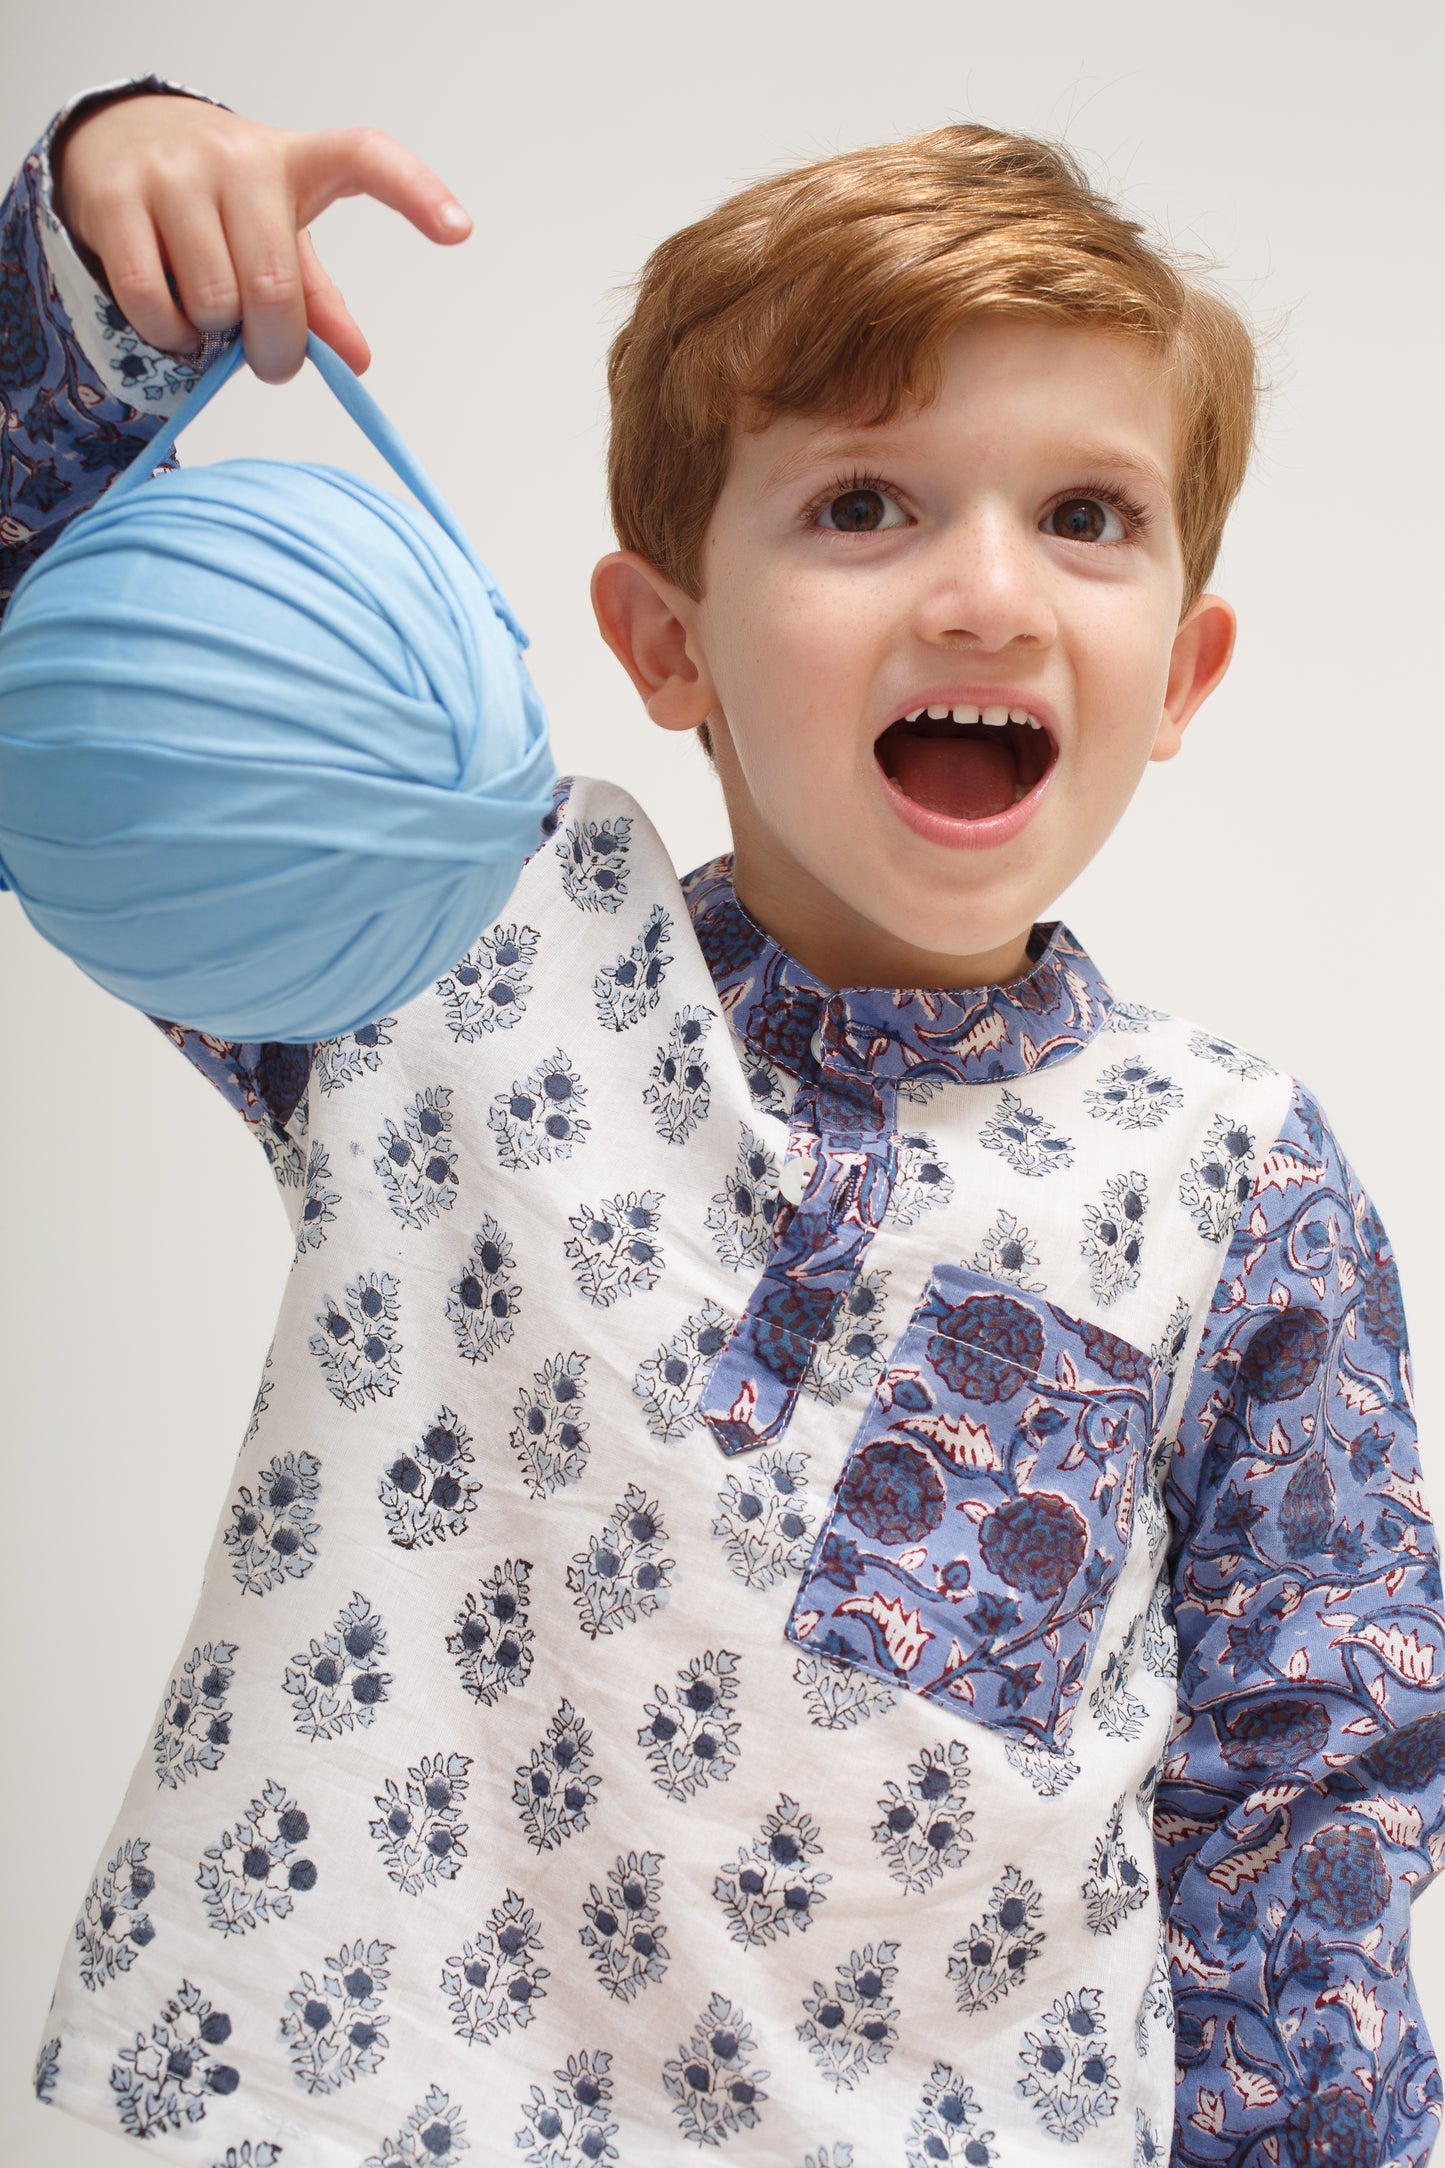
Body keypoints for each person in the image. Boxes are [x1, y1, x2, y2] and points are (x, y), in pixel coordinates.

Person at [3, 76, 1442, 2168]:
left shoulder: (1233, 1177)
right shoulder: (444, 952)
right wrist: (92, 244)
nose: (986, 594)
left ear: (1186, 670)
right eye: (864, 503)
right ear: (664, 638)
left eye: (1086, 515)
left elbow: (1309, 1787)